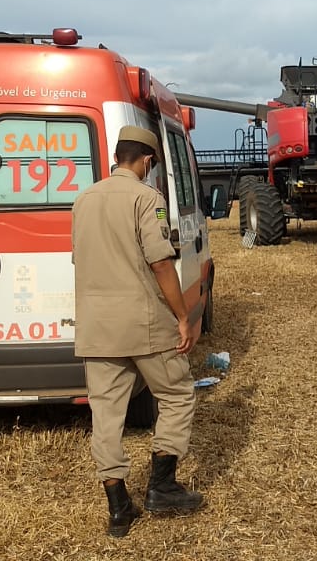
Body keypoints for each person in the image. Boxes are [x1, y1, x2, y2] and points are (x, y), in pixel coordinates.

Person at [72, 125, 204, 538]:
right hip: (144, 322)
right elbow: (161, 262)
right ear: (147, 161)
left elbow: (80, 259)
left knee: (106, 417)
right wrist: (182, 316)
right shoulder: (148, 199)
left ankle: (118, 507)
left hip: (96, 325)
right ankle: (162, 487)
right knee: (178, 394)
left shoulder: (83, 199)